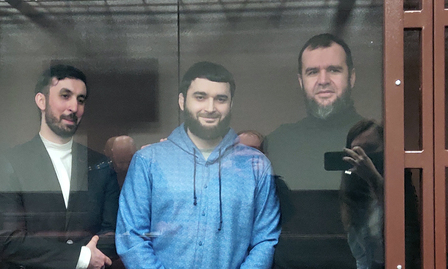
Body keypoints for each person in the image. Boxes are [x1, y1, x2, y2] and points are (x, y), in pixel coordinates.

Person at [116, 61, 281, 268]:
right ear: (182, 101)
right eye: (200, 97)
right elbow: (132, 236)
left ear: (231, 104)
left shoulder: (255, 165)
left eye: (220, 99)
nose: (210, 108)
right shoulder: (148, 161)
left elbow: (265, 239)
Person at [0, 64, 119, 269]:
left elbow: (113, 233)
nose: (74, 107)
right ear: (41, 101)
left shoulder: (100, 164)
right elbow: (9, 240)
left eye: (81, 100)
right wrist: (82, 258)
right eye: (65, 96)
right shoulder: (11, 162)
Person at [267, 33, 363, 268]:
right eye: (312, 72)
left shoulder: (377, 141)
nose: (323, 80)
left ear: (351, 77)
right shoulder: (278, 142)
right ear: (301, 81)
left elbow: (407, 229)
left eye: (333, 70)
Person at [340, 119, 421, 269]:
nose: (362, 158)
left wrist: (373, 177)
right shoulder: (351, 194)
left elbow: (407, 232)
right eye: (357, 152)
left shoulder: (399, 183)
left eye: (369, 149)